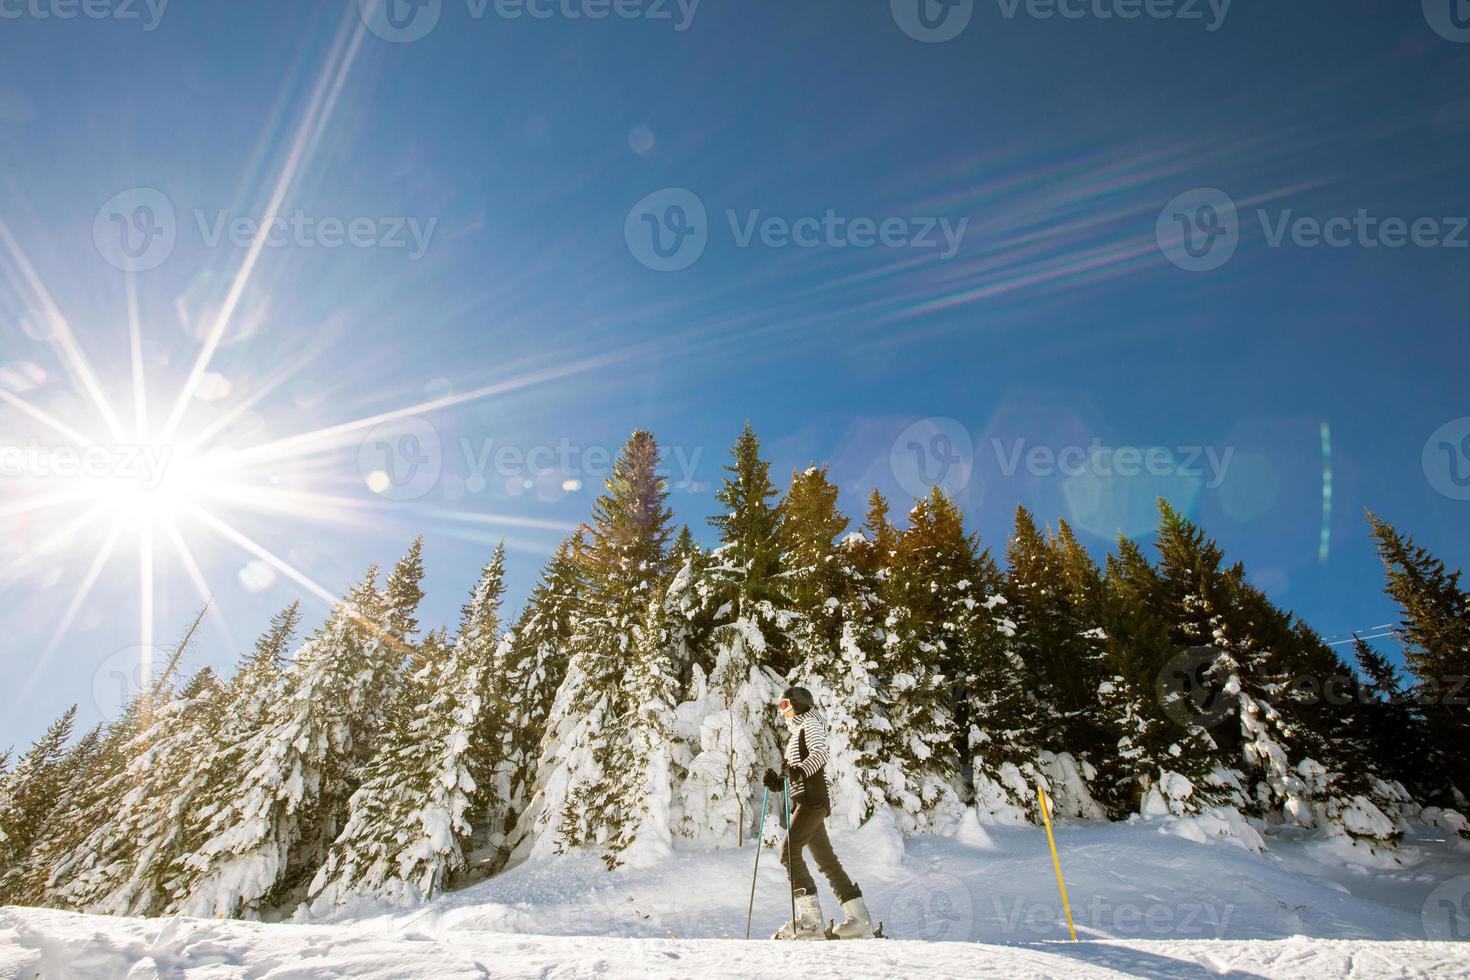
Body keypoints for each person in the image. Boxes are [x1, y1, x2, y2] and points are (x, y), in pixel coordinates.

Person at [763, 685, 872, 940]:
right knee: (826, 861)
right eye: (780, 707)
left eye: (785, 706)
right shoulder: (797, 733)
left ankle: (811, 921)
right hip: (804, 801)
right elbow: (794, 774)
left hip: (811, 800)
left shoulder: (810, 723)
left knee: (789, 852)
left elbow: (820, 755)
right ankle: (858, 918)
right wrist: (777, 782)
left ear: (798, 704)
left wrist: (798, 771)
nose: (783, 712)